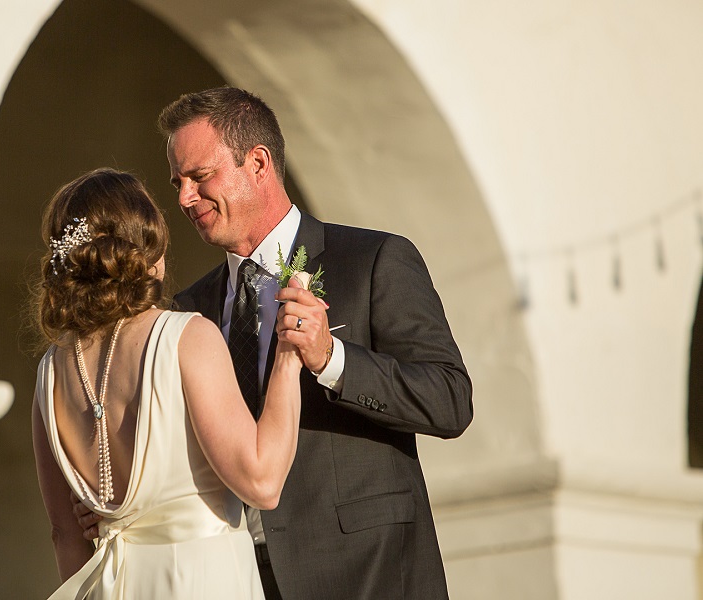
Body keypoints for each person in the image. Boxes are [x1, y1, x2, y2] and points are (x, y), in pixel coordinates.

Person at [75, 87, 473, 599]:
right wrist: (117, 497)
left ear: (258, 163)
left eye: (200, 177)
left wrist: (333, 360)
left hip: (366, 574)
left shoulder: (373, 260)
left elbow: (450, 400)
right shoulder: (183, 311)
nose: (183, 199)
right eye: (178, 183)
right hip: (235, 578)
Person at [30, 167, 305, 599]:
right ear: (147, 249)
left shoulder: (52, 372)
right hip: (201, 582)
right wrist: (289, 354)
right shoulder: (185, 337)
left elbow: (65, 536)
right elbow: (263, 481)